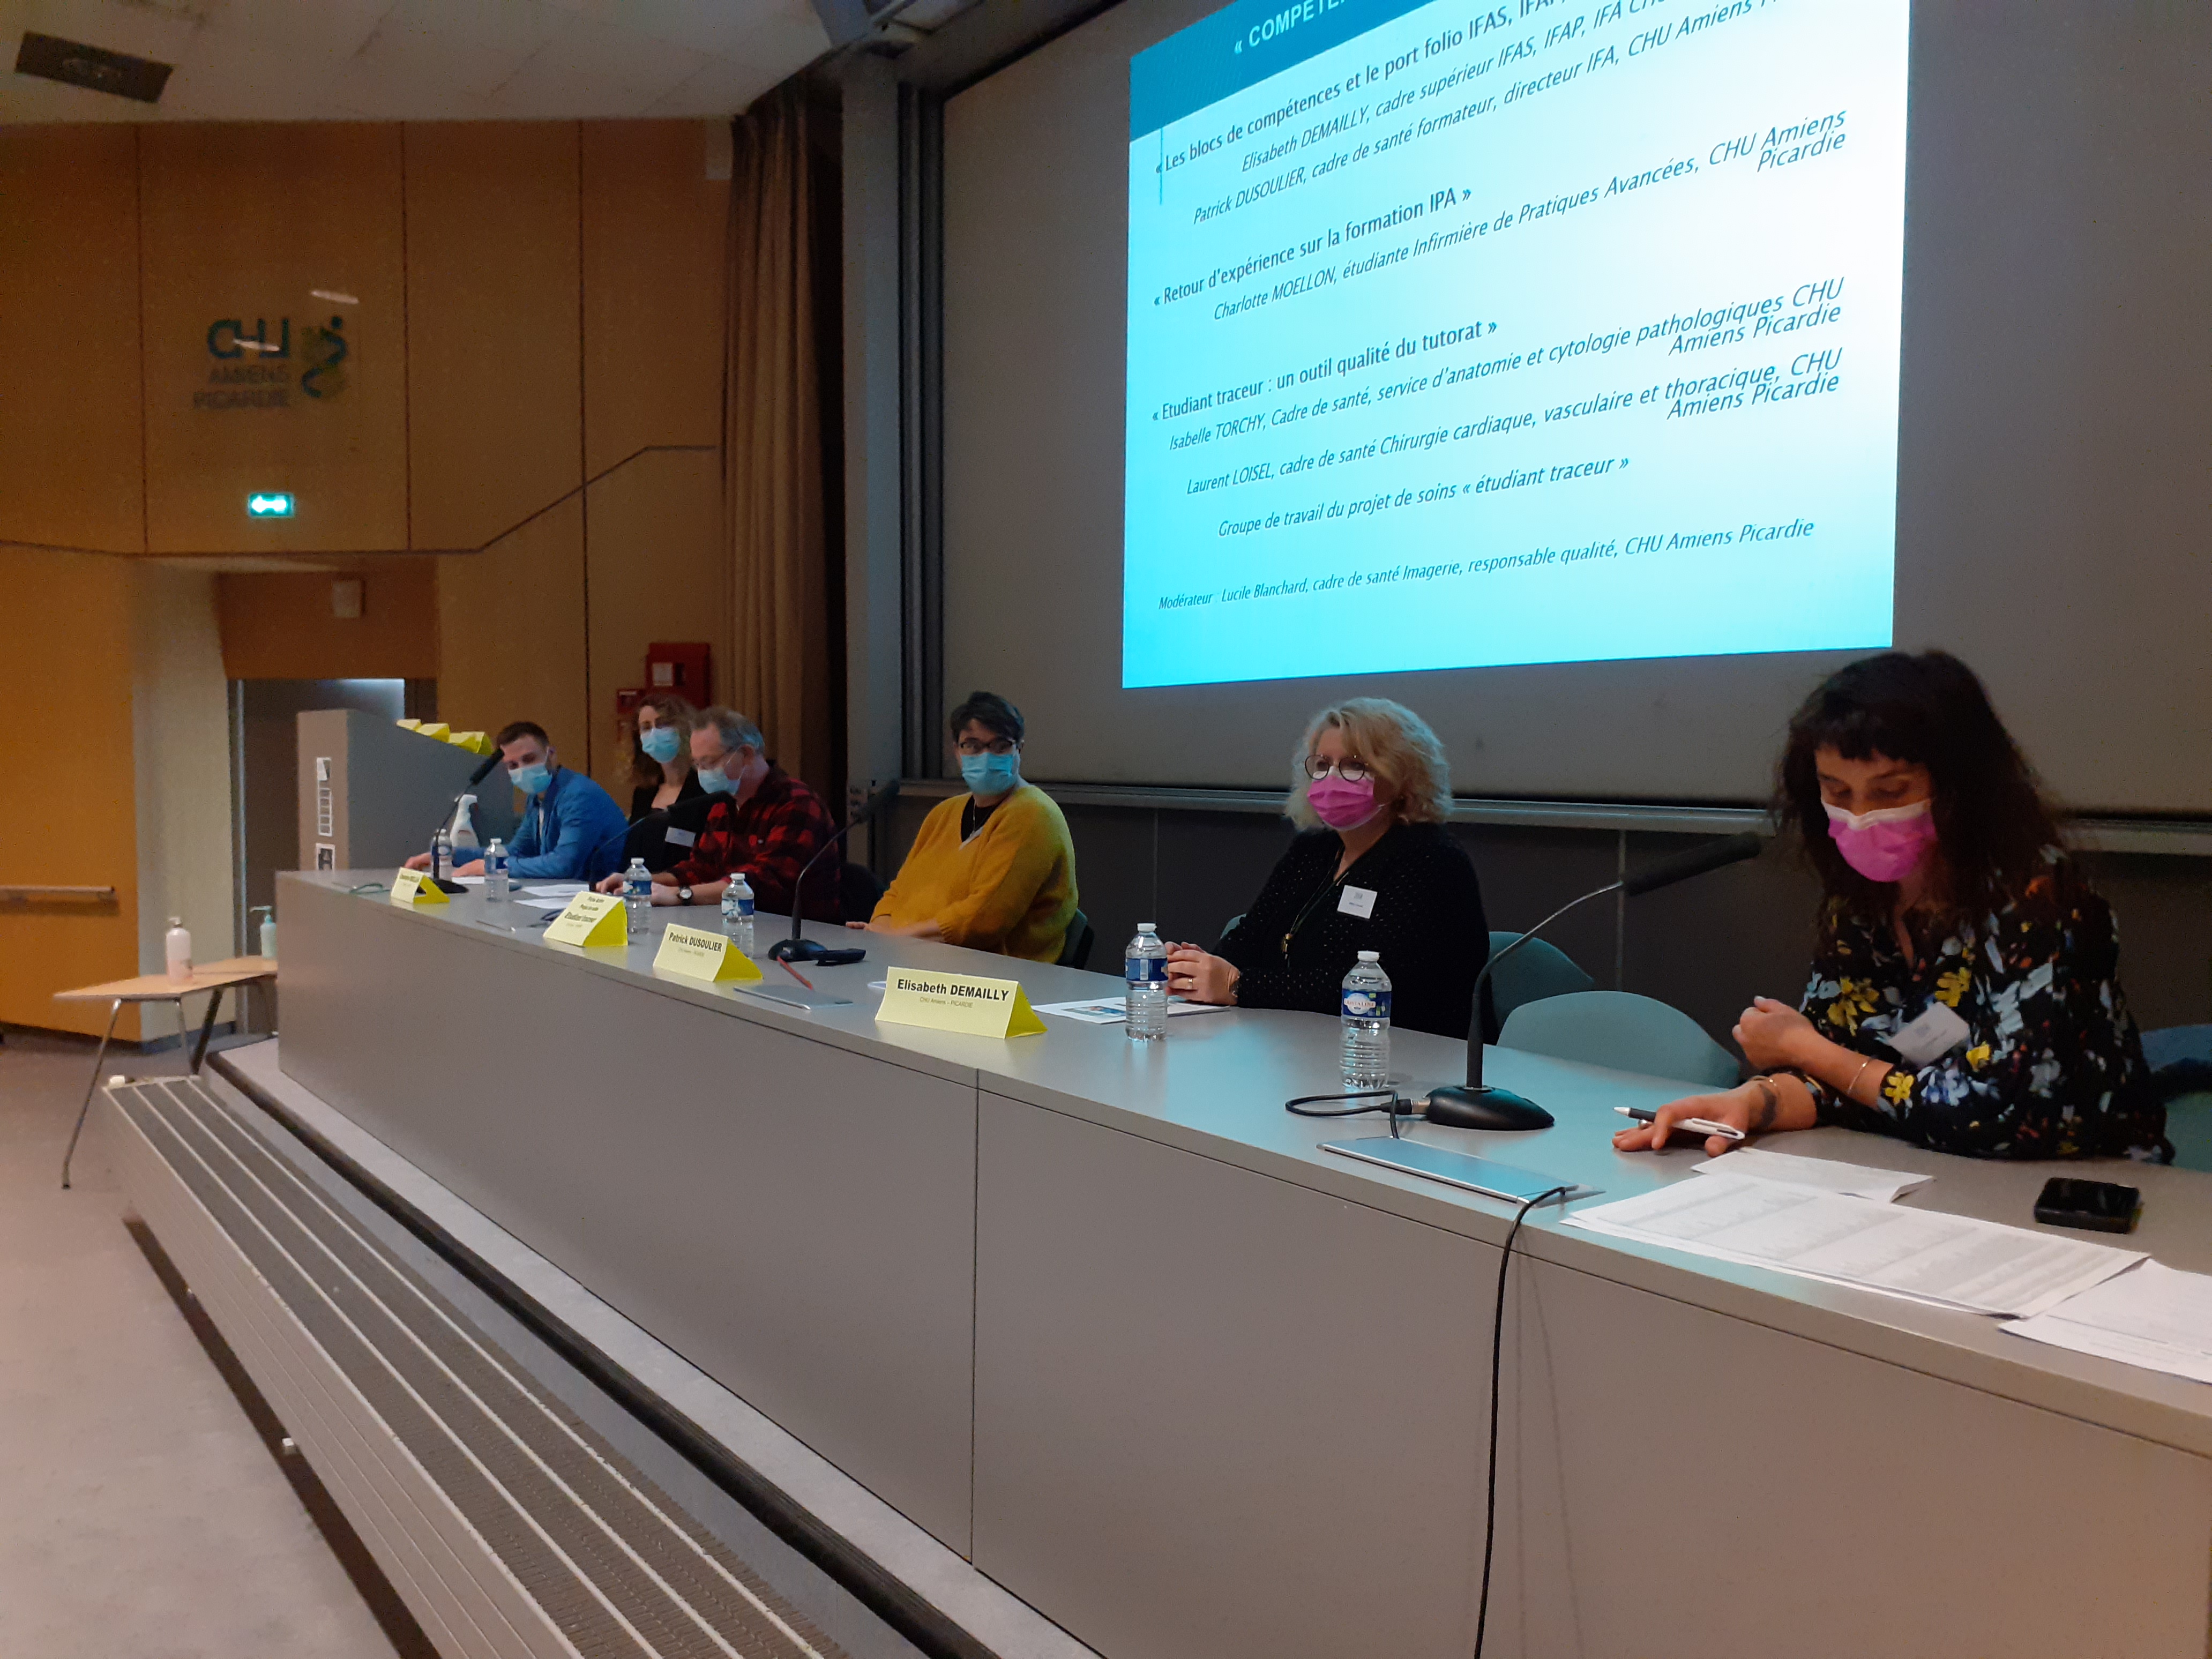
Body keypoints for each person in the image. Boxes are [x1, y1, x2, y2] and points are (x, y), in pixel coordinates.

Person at [1613, 651, 2168, 1163]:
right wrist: (1753, 1104)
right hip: (1927, 1172)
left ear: (1959, 788)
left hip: (2081, 1185)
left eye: (1890, 792)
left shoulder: (2043, 902)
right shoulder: (1861, 904)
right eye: (1838, 791)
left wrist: (1806, 1049)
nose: (1860, 817)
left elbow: (1992, 1114)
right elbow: (1844, 1080)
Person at [1165, 698, 1490, 1039]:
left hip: (1403, 1051)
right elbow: (1252, 936)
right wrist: (1196, 968)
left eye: (1354, 765)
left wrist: (1238, 985)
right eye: (1322, 764)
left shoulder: (1432, 862)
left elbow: (1369, 985)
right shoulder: (1314, 850)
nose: (1332, 777)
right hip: (1299, 1042)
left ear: (1402, 778)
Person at [851, 691, 1078, 962]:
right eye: (972, 746)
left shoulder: (1033, 814)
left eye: (1000, 746)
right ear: (957, 752)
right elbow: (899, 891)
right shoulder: (944, 813)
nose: (986, 756)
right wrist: (879, 931)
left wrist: (895, 939)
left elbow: (984, 919)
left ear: (1019, 750)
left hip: (993, 973)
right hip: (915, 958)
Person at [595, 706, 834, 914]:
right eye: (697, 765)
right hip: (737, 923)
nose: (703, 773)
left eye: (709, 763)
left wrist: (680, 895)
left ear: (746, 754)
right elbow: (700, 869)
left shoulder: (796, 803)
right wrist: (641, 882)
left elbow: (763, 884)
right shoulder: (723, 805)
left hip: (799, 934)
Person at [406, 720, 629, 884]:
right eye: (513, 765)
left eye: (529, 759)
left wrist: (491, 866)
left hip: (605, 897)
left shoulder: (579, 795)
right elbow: (517, 851)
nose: (522, 769)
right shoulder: (537, 798)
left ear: (551, 754)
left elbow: (564, 865)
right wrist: (451, 856)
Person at [627, 694, 703, 819]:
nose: (654, 733)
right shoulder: (644, 792)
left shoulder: (704, 787)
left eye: (662, 724)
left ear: (684, 727)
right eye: (646, 727)